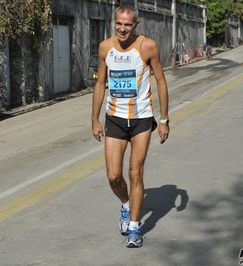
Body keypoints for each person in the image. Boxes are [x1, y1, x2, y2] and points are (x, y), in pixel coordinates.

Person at [91, 5, 170, 248]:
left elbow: (160, 81)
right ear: (114, 22)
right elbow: (101, 83)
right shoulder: (106, 47)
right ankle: (126, 204)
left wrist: (165, 119)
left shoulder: (148, 46)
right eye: (119, 23)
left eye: (128, 24)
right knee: (114, 176)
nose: (122, 28)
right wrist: (94, 118)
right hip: (114, 118)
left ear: (136, 25)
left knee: (136, 173)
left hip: (142, 119)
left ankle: (135, 228)